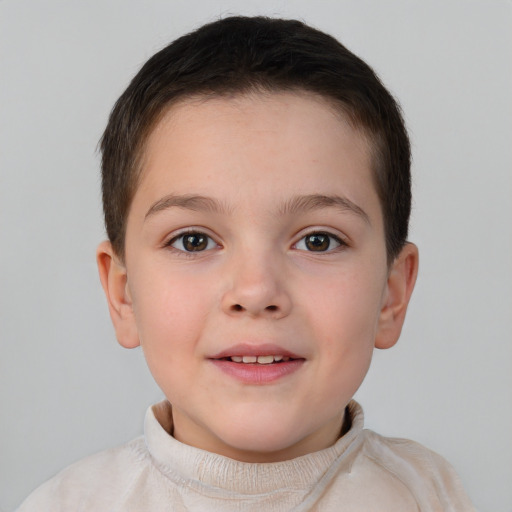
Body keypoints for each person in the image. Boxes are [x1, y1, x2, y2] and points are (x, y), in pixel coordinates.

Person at [17, 16, 475, 511]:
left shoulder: (433, 495)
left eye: (318, 241)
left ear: (392, 294)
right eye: (193, 241)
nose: (256, 291)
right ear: (123, 294)